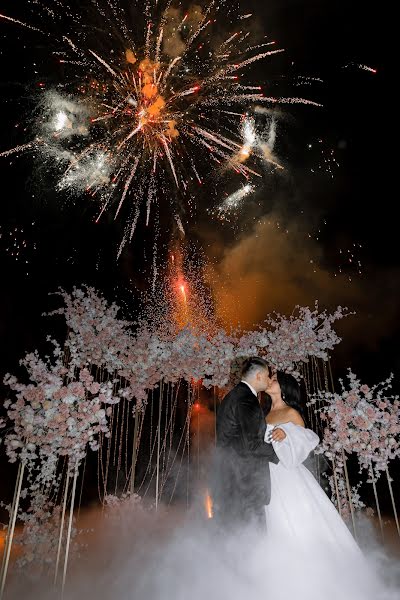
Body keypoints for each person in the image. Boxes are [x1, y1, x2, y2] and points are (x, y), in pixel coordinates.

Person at [264, 369, 363, 557]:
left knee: (293, 519)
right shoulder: (263, 413)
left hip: (287, 475)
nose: (270, 381)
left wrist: (287, 434)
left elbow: (305, 441)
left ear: (284, 387)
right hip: (265, 476)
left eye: (275, 379)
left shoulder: (291, 413)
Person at [212, 357, 285, 529]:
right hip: (246, 484)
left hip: (232, 481)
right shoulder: (246, 399)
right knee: (253, 538)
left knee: (237, 538)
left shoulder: (234, 395)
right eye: (268, 376)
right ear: (258, 376)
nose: (269, 380)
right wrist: (282, 455)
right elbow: (252, 445)